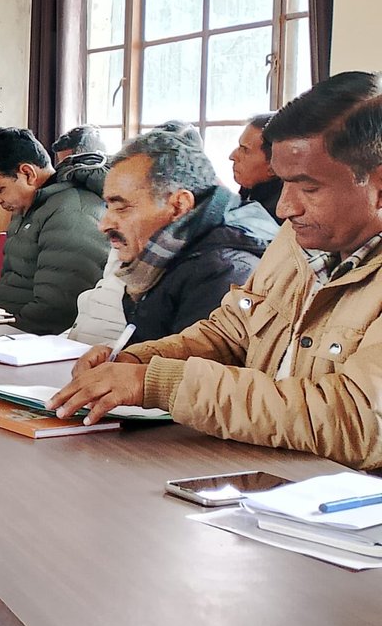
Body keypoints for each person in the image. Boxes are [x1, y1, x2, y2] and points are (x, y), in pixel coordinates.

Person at [52, 72, 382, 470]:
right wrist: (137, 362)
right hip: (266, 474)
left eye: (308, 188)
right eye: (283, 184)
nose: (284, 208)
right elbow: (230, 334)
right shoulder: (297, 242)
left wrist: (157, 383)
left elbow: (355, 419)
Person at [96, 128, 277, 346]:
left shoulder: (223, 271)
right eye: (108, 207)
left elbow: (192, 364)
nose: (104, 225)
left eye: (122, 207)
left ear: (179, 206)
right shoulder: (165, 257)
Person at [0, 127, 107, 334]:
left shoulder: (71, 212)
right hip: (2, 331)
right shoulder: (28, 207)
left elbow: (55, 312)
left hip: (28, 341)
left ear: (28, 173)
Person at [230, 112, 284, 222]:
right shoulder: (250, 189)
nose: (232, 156)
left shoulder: (278, 215)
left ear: (273, 167)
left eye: (245, 150)